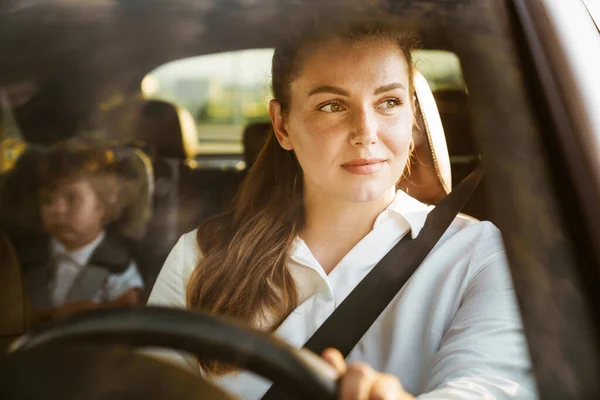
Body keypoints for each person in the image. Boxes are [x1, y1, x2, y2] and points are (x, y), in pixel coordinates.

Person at [148, 20, 537, 400]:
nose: (366, 131)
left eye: (389, 102)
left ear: (411, 116)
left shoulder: (477, 254)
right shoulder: (200, 255)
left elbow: (487, 384)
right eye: (332, 105)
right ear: (282, 126)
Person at [22, 142, 144, 323]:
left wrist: (94, 310)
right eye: (47, 200)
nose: (57, 209)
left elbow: (132, 313)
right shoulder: (28, 258)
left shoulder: (117, 266)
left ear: (103, 206)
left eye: (72, 199)